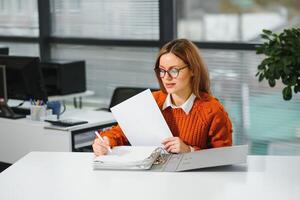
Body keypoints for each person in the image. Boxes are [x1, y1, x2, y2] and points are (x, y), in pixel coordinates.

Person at [93, 38, 232, 156]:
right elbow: (119, 133)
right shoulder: (151, 101)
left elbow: (224, 157)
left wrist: (189, 151)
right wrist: (106, 141)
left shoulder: (212, 110)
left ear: (193, 70)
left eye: (174, 70)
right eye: (162, 71)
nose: (166, 77)